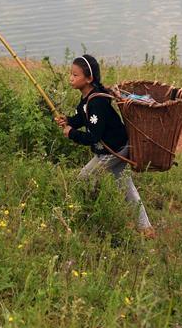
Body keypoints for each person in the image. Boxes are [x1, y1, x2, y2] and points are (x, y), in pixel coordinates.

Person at [56, 54, 153, 233]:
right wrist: (68, 120)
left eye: (75, 75)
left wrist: (71, 133)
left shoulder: (97, 102)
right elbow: (83, 118)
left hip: (114, 150)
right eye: (71, 73)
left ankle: (88, 217)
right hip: (120, 146)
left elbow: (93, 136)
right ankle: (145, 228)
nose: (70, 78)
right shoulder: (88, 98)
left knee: (83, 179)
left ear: (89, 78)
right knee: (125, 186)